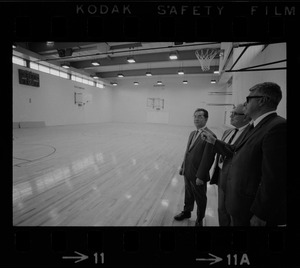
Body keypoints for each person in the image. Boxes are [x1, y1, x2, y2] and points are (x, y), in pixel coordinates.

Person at [201, 82, 286, 226]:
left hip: (251, 207)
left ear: (262, 100)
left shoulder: (278, 127)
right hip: (238, 201)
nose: (245, 103)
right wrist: (214, 141)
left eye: (249, 98)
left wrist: (261, 213)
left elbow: (274, 178)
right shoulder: (254, 126)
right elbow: (235, 150)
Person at [210, 104, 251, 226]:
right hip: (221, 176)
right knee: (221, 210)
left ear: (246, 117)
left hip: (235, 181)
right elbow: (223, 150)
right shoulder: (228, 131)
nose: (231, 115)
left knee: (234, 214)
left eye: (235, 114)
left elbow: (236, 154)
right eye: (231, 113)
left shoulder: (251, 133)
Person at [174, 108, 216, 226]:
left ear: (206, 119)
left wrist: (201, 176)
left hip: (198, 175)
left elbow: (208, 159)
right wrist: (183, 166)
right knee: (188, 193)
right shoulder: (193, 133)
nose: (196, 119)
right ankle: (187, 211)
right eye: (195, 116)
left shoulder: (210, 135)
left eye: (200, 116)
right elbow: (187, 152)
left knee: (200, 197)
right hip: (188, 171)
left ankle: (199, 219)